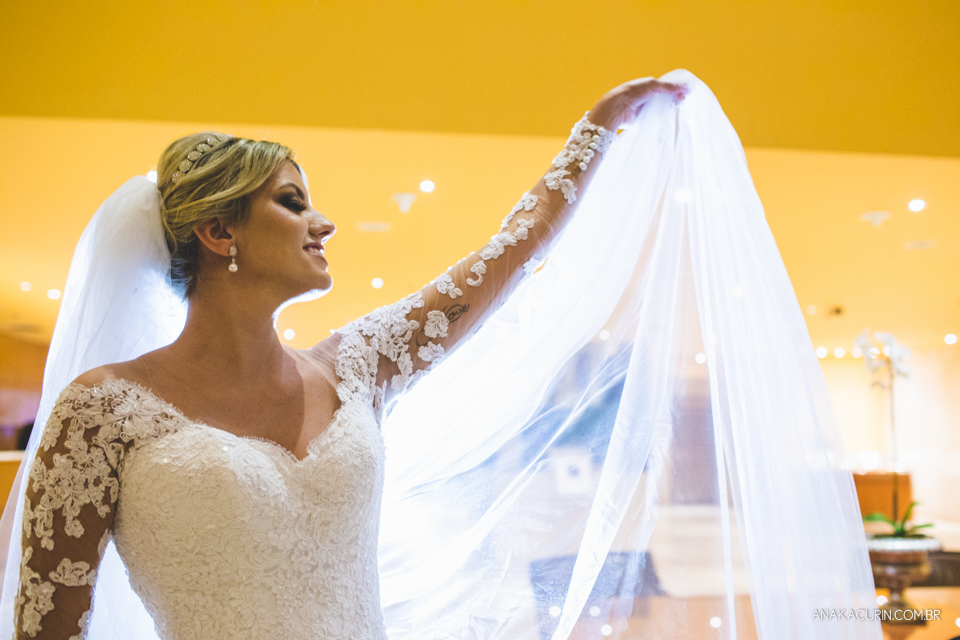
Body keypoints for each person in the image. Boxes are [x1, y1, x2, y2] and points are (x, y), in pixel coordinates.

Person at [5, 78, 688, 639]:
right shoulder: (103, 410)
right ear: (218, 231)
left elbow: (509, 253)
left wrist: (597, 129)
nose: (323, 223)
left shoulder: (357, 366)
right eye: (292, 202)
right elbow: (48, 631)